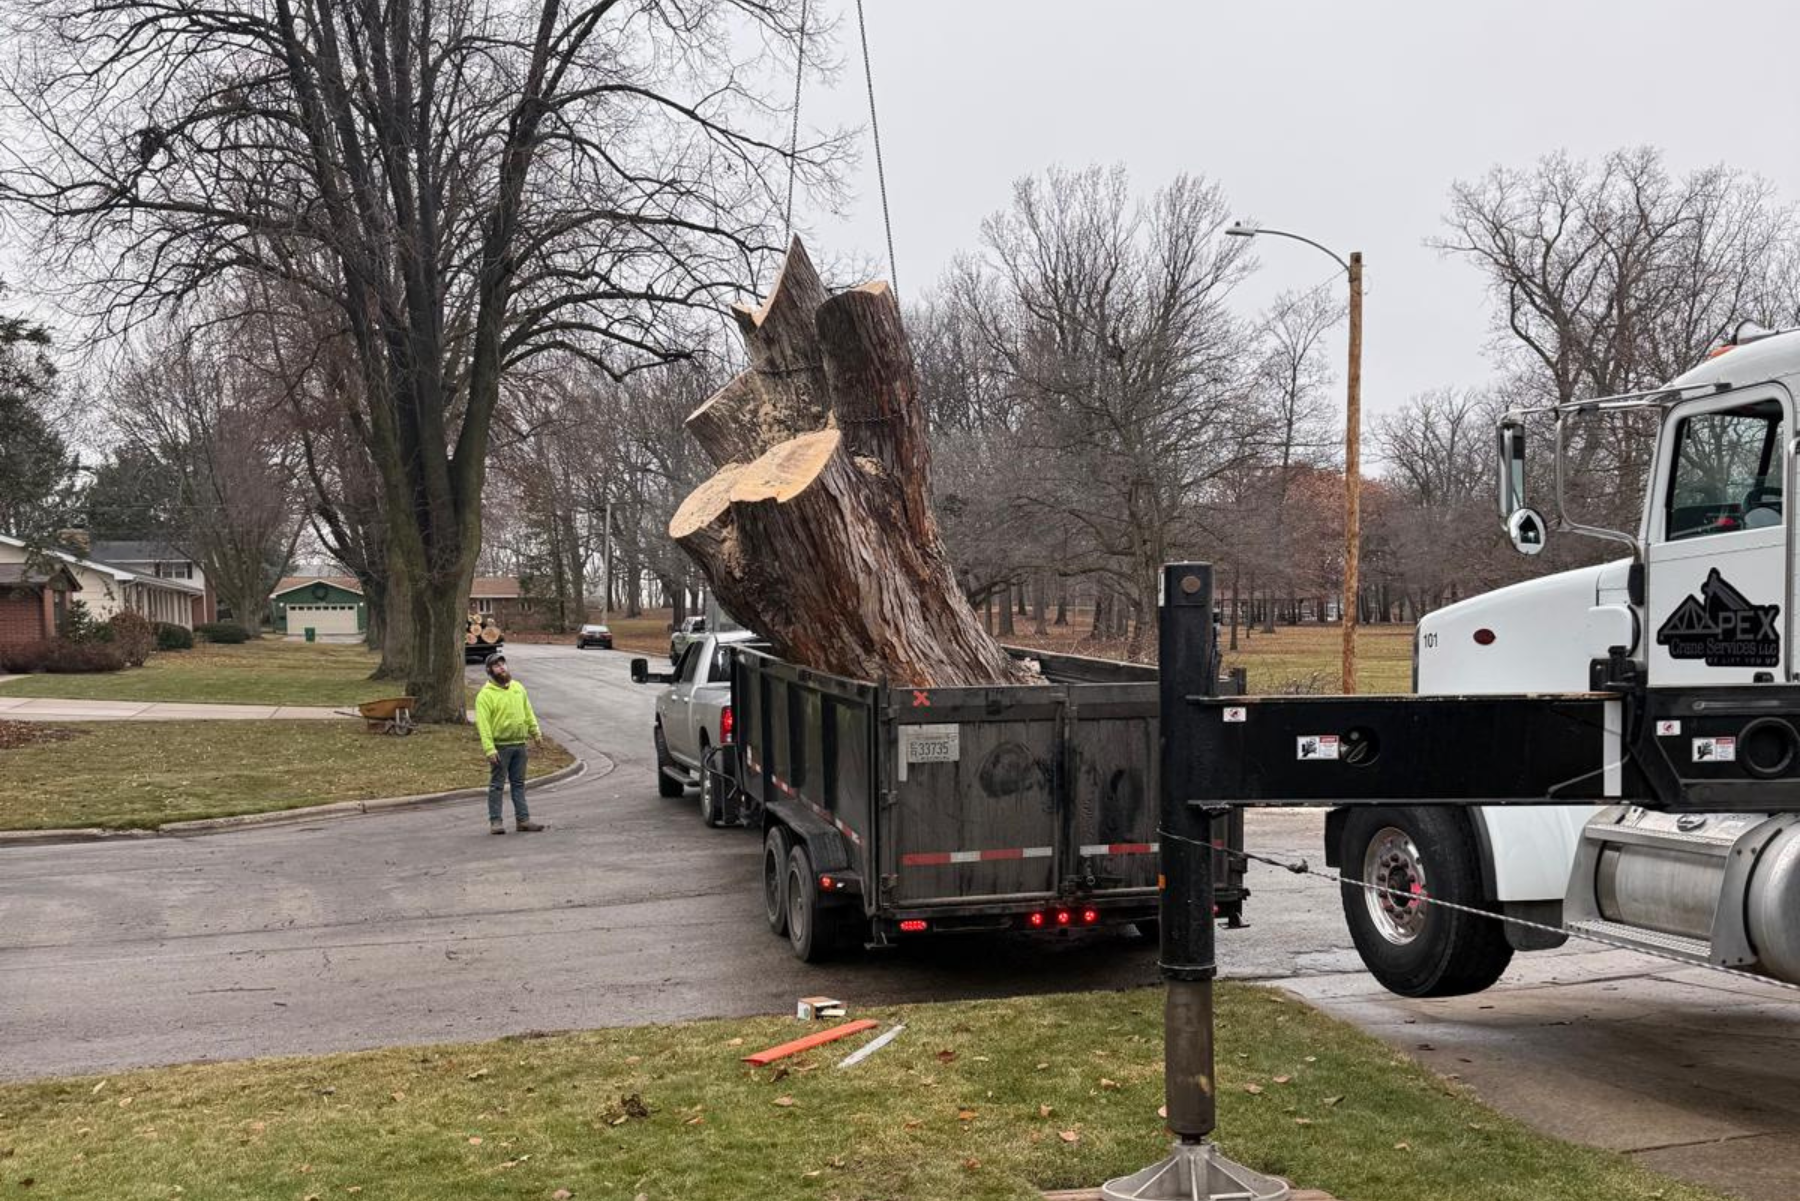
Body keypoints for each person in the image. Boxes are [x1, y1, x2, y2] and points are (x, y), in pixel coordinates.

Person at [475, 652, 546, 834]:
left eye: (503, 664)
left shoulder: (518, 688)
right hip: (500, 747)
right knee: (497, 785)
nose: (502, 668)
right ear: (490, 670)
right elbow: (483, 724)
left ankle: (523, 820)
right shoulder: (485, 695)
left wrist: (535, 732)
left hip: (520, 744)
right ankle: (496, 822)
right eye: (497, 666)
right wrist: (489, 749)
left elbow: (528, 712)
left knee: (519, 784)